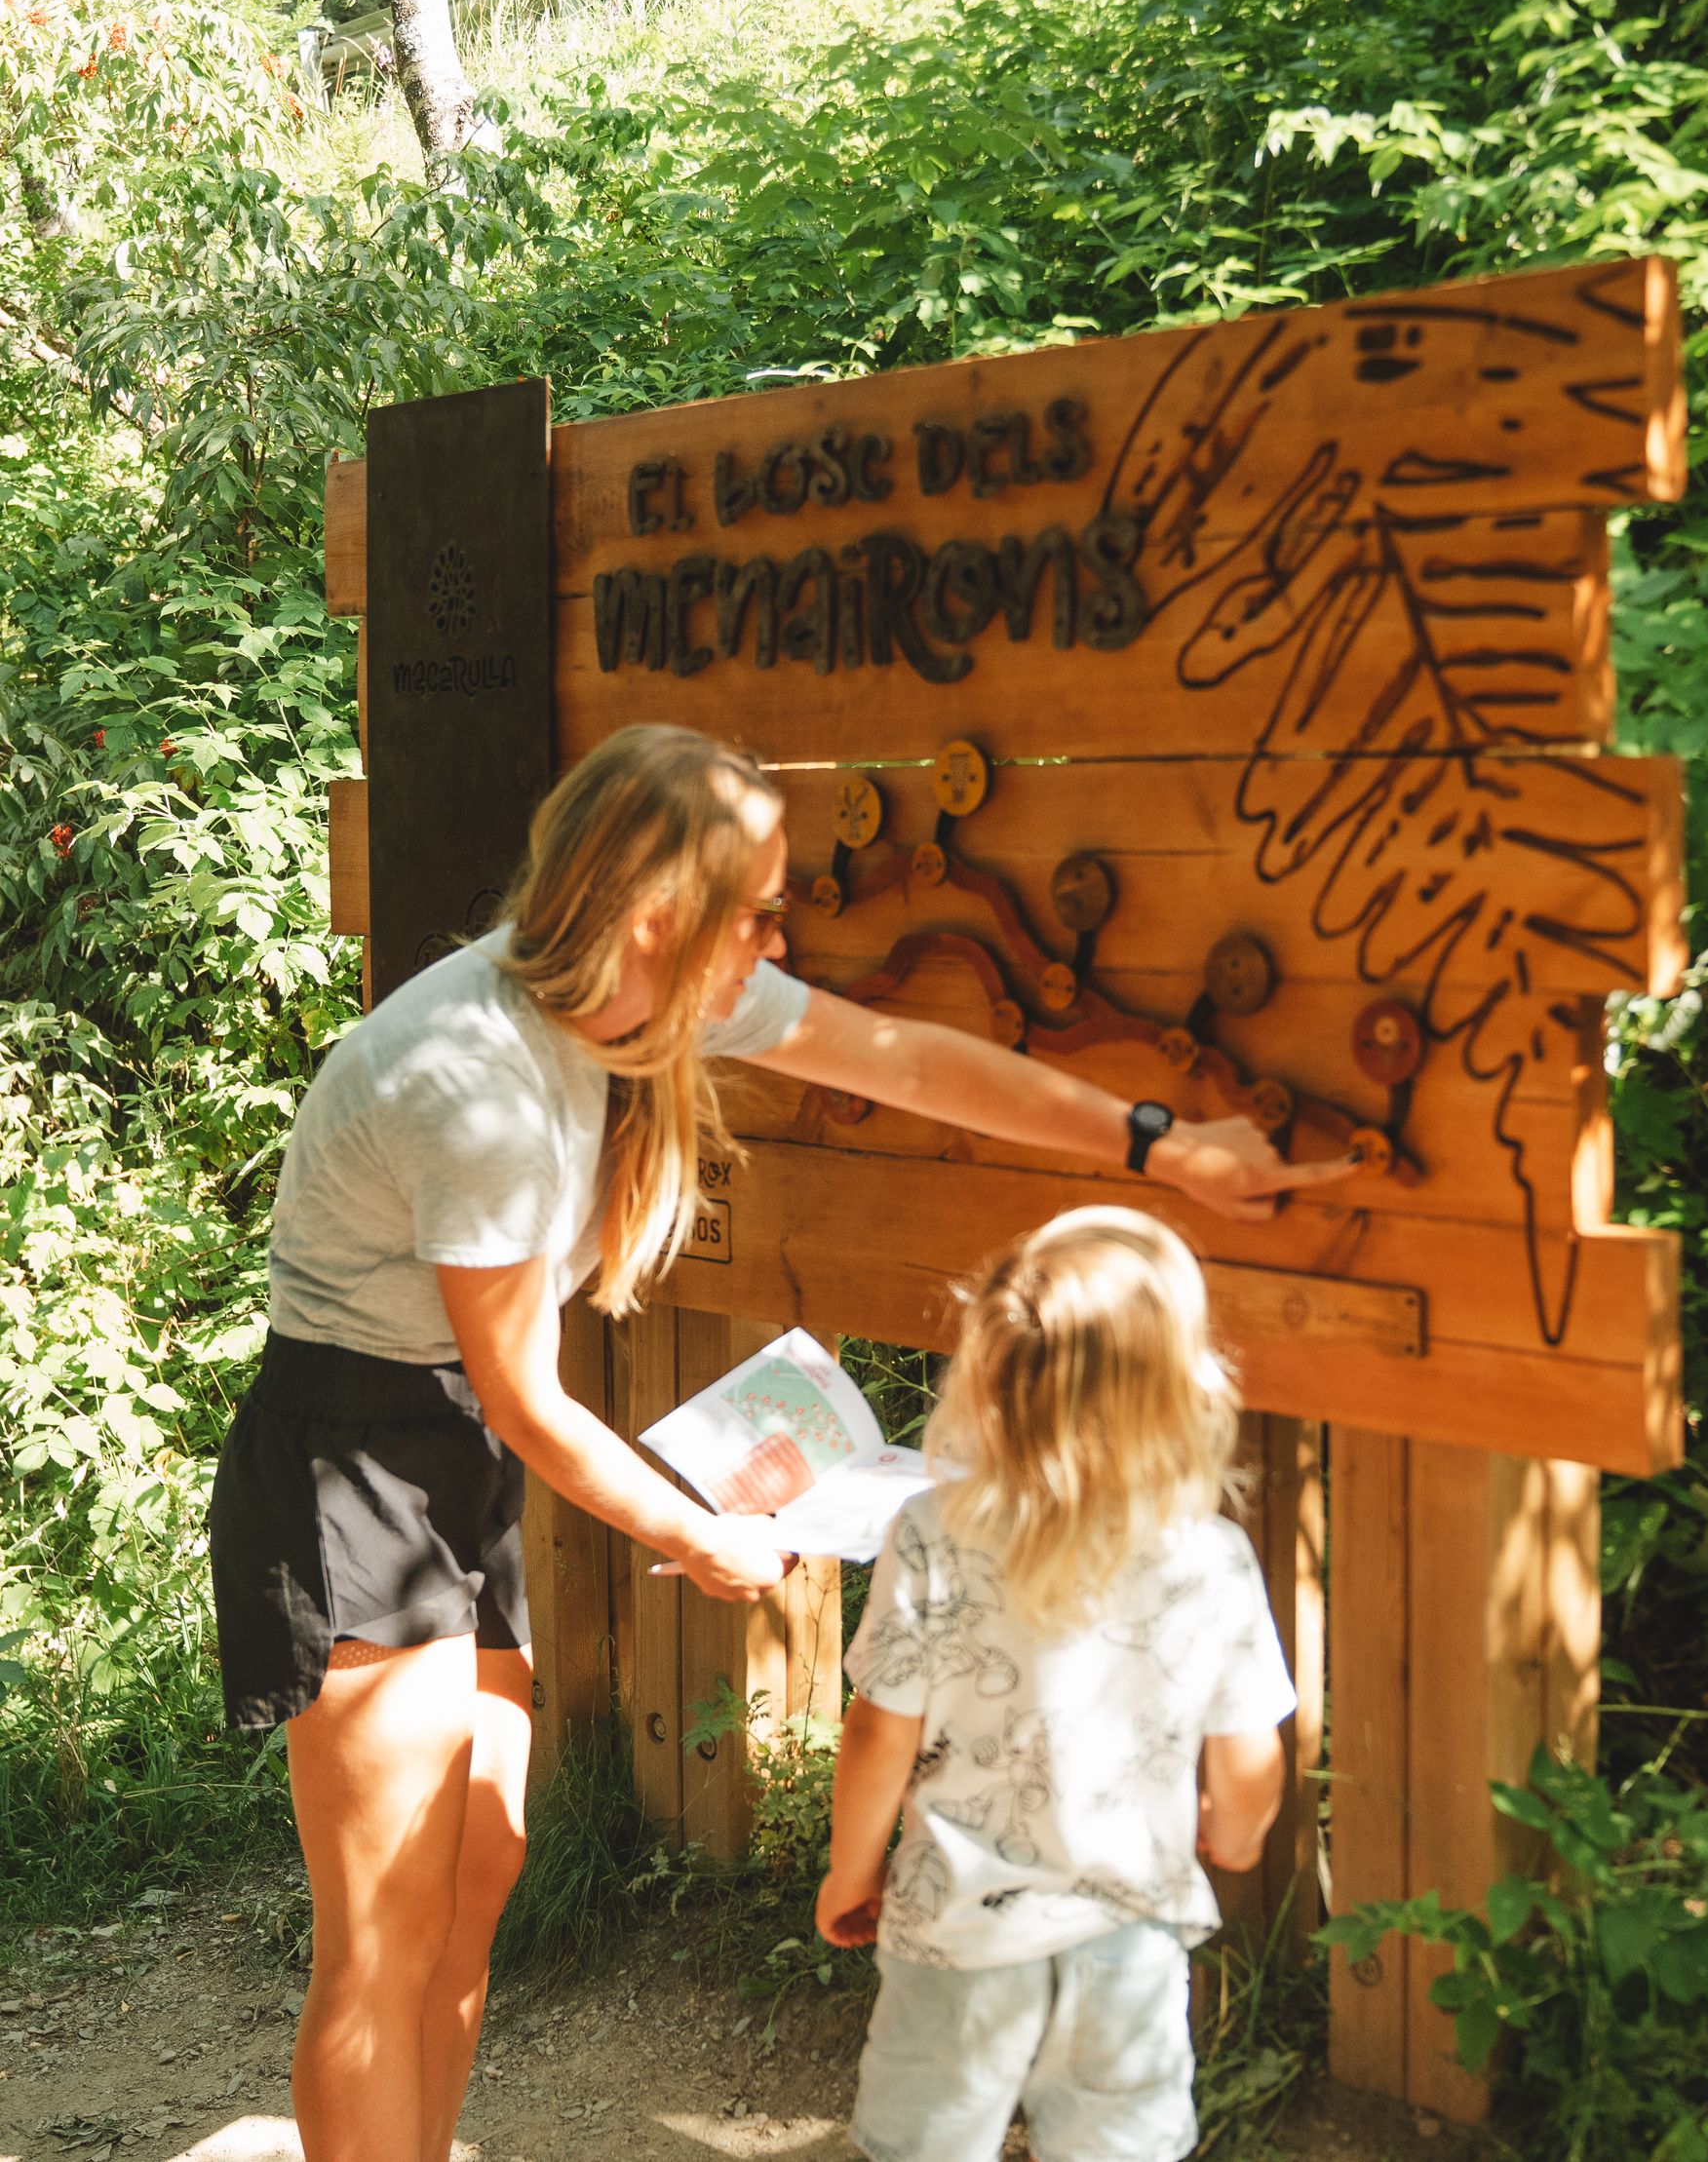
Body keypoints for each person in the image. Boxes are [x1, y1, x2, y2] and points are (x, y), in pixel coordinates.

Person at [209, 723, 1343, 2162]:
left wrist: (1156, 1141)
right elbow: (524, 1399)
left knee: (475, 1876)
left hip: (439, 1450)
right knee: (382, 1929)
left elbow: (915, 1060)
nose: (780, 934)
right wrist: (700, 1531)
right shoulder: (472, 1078)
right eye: (759, 909)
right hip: (351, 1466)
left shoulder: (650, 999)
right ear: (656, 919)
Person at [816, 1205, 1296, 2162]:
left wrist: (851, 1871)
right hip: (1129, 1931)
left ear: (986, 1375)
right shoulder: (1209, 1556)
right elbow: (1250, 1757)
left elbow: (879, 1734)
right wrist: (1233, 1834)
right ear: (1178, 1389)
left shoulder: (932, 1530)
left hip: (955, 1925)